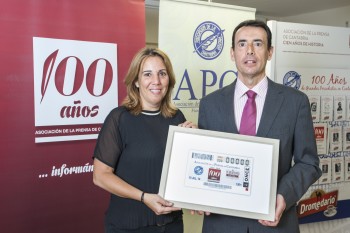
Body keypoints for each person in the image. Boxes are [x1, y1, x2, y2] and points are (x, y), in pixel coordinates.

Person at [197, 20, 322, 233]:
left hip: (276, 223)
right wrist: (199, 193)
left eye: (258, 43)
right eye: (242, 44)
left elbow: (309, 162)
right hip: (222, 224)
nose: (250, 51)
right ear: (232, 53)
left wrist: (283, 196)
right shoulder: (210, 104)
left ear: (270, 52)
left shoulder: (295, 102)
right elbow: (204, 163)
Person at [93, 47, 195, 233]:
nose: (156, 81)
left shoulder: (176, 117)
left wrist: (194, 143)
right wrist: (143, 197)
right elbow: (100, 176)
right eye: (147, 74)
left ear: (169, 80)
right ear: (136, 81)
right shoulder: (119, 118)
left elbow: (183, 169)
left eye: (162, 74)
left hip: (172, 224)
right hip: (130, 225)